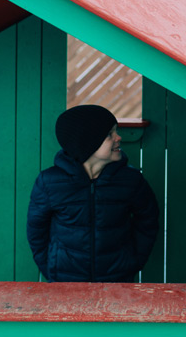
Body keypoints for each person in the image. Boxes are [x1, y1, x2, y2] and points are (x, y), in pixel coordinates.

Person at [27, 104, 159, 283]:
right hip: (65, 280)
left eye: (116, 132)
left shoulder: (130, 180)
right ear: (87, 143)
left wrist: (134, 261)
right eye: (109, 135)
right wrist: (51, 267)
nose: (118, 138)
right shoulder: (50, 182)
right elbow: (36, 231)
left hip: (117, 279)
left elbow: (148, 221)